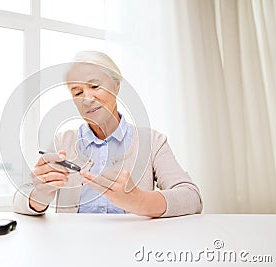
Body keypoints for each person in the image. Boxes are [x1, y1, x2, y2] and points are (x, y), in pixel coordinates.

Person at [13, 51, 203, 217]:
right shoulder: (62, 142)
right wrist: (40, 195)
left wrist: (139, 200)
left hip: (133, 245)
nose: (87, 98)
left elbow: (192, 197)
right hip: (73, 247)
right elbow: (18, 200)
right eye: (77, 93)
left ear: (116, 85)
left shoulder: (152, 142)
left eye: (95, 86)